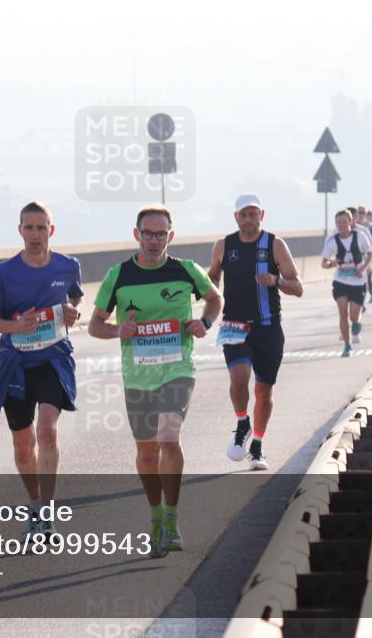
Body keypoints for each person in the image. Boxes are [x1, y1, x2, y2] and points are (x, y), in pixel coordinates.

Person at [88, 205, 223, 558]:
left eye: (160, 234)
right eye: (147, 233)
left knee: (168, 438)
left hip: (178, 369)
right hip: (138, 375)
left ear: (170, 236)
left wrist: (205, 324)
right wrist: (120, 329)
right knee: (147, 451)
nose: (153, 240)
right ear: (136, 235)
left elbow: (214, 299)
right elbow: (95, 325)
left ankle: (174, 518)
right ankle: (156, 517)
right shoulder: (118, 275)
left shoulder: (186, 271)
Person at [0, 201, 83, 539]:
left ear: (51, 230)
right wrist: (16, 325)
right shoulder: (5, 273)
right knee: (24, 445)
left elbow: (75, 299)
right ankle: (34, 505)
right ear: (20, 230)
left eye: (41, 228)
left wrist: (71, 312)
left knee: (47, 431)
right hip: (16, 364)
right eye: (29, 228)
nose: (35, 234)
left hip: (53, 359)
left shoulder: (68, 266)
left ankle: (47, 513)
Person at [207, 194, 304, 471]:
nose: (248, 219)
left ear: (262, 214)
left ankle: (257, 446)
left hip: (268, 327)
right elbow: (213, 276)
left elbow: (298, 287)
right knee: (239, 377)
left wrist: (276, 280)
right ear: (236, 217)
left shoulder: (274, 244)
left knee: (263, 390)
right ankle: (242, 422)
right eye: (243, 215)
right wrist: (205, 287)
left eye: (253, 214)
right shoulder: (223, 245)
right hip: (234, 325)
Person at [321, 209, 372, 357]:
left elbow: (370, 253)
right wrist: (331, 263)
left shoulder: (360, 236)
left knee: (353, 316)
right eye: (339, 222)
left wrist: (363, 268)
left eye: (345, 221)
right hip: (341, 281)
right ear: (336, 224)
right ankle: (347, 345)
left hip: (358, 282)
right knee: (343, 313)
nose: (342, 224)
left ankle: (356, 323)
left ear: (351, 222)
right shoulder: (332, 241)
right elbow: (323, 263)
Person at [357, 205, 372, 304]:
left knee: (368, 278)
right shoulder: (353, 225)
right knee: (360, 279)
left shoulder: (369, 226)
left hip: (367, 255)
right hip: (356, 257)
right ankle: (361, 302)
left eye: (363, 213)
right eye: (359, 212)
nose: (361, 214)